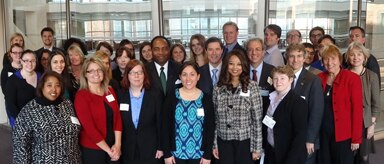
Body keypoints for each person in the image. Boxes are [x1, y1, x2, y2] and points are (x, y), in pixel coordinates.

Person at [12, 71, 81, 163]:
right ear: (42, 86)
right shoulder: (29, 110)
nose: (54, 89)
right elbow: (20, 145)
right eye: (49, 85)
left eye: (58, 85)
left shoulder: (67, 104)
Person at [212, 50, 263, 164]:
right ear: (226, 65)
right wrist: (214, 144)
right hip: (223, 141)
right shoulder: (218, 88)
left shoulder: (252, 86)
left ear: (244, 66)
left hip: (245, 142)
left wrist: (257, 148)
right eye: (231, 63)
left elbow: (257, 120)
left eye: (239, 64)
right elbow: (215, 119)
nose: (235, 67)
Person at [318, 44, 363, 164]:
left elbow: (357, 110)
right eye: (326, 59)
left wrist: (356, 138)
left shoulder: (352, 78)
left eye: (333, 58)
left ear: (340, 60)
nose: (329, 62)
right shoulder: (318, 78)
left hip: (344, 135)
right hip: (322, 134)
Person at [163, 61, 214, 164]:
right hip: (176, 154)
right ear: (180, 77)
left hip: (199, 154)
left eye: (192, 74)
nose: (188, 79)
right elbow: (165, 126)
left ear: (198, 76)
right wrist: (167, 154)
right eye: (184, 75)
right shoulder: (172, 96)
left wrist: (207, 155)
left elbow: (210, 128)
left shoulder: (206, 98)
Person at [74, 57, 122, 164]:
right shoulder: (81, 96)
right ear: (85, 74)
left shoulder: (109, 90)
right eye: (91, 71)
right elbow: (89, 128)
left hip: (113, 147)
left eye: (99, 70)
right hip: (93, 150)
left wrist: (117, 145)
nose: (96, 73)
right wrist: (108, 151)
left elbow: (117, 118)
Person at [117, 59, 163, 164]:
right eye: (132, 73)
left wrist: (161, 147)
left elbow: (161, 122)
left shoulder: (155, 94)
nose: (136, 76)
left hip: (152, 150)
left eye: (140, 72)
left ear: (144, 75)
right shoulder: (120, 95)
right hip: (128, 150)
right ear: (127, 75)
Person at [286, 43, 324, 164]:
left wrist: (310, 139)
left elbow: (316, 113)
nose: (295, 60)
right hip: (286, 137)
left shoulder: (313, 80)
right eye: (292, 56)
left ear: (304, 57)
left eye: (299, 56)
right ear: (287, 57)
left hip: (305, 140)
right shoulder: (281, 77)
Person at [262, 65, 308, 164]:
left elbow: (300, 136)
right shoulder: (270, 98)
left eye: (282, 78)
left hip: (288, 156)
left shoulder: (298, 103)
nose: (278, 82)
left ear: (291, 80)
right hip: (271, 152)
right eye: (275, 78)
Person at [345, 42, 380, 164]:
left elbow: (376, 105)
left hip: (364, 124)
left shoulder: (372, 76)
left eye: (359, 54)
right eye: (352, 55)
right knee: (348, 156)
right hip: (347, 122)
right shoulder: (343, 74)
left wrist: (372, 125)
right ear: (348, 57)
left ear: (365, 57)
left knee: (363, 158)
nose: (356, 58)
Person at [5, 49, 41, 126]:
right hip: (20, 120)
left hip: (39, 120)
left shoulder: (41, 77)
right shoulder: (13, 80)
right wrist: (22, 121)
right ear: (21, 61)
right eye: (26, 61)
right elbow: (10, 104)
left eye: (32, 61)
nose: (30, 63)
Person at [245, 38, 275, 112]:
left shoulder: (273, 71)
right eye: (250, 49)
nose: (254, 53)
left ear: (263, 52)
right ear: (246, 52)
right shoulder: (241, 70)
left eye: (257, 49)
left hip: (266, 115)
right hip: (245, 118)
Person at [1, 44, 23, 126]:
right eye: (15, 52)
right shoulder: (6, 69)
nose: (18, 55)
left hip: (25, 103)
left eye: (20, 52)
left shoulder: (26, 68)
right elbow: (4, 89)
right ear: (10, 54)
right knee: (16, 128)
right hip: (12, 104)